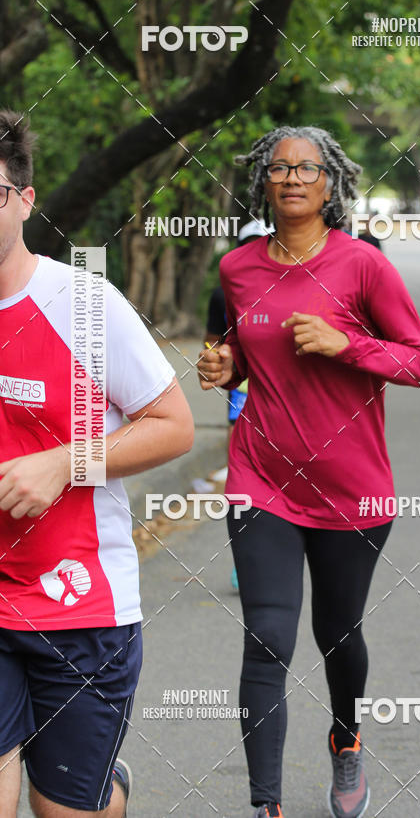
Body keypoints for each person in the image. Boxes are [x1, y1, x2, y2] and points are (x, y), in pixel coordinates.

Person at [197, 125, 420, 818]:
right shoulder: (237, 267)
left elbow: (418, 362)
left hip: (352, 488)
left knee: (339, 635)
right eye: (280, 168)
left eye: (308, 168)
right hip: (261, 474)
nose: (293, 177)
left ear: (331, 182)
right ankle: (265, 805)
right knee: (268, 634)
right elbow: (240, 346)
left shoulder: (364, 266)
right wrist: (223, 366)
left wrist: (346, 343)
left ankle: (345, 735)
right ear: (262, 181)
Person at [0, 110, 195, 818]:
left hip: (77, 605)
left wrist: (64, 463)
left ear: (25, 198)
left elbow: (173, 426)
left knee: (65, 810)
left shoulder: (80, 303)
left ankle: (102, 791)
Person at [205, 218, 273, 591]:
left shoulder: (291, 290)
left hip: (286, 400)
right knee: (246, 479)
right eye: (248, 245)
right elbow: (212, 344)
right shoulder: (223, 293)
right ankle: (243, 561)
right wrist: (217, 363)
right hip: (242, 394)